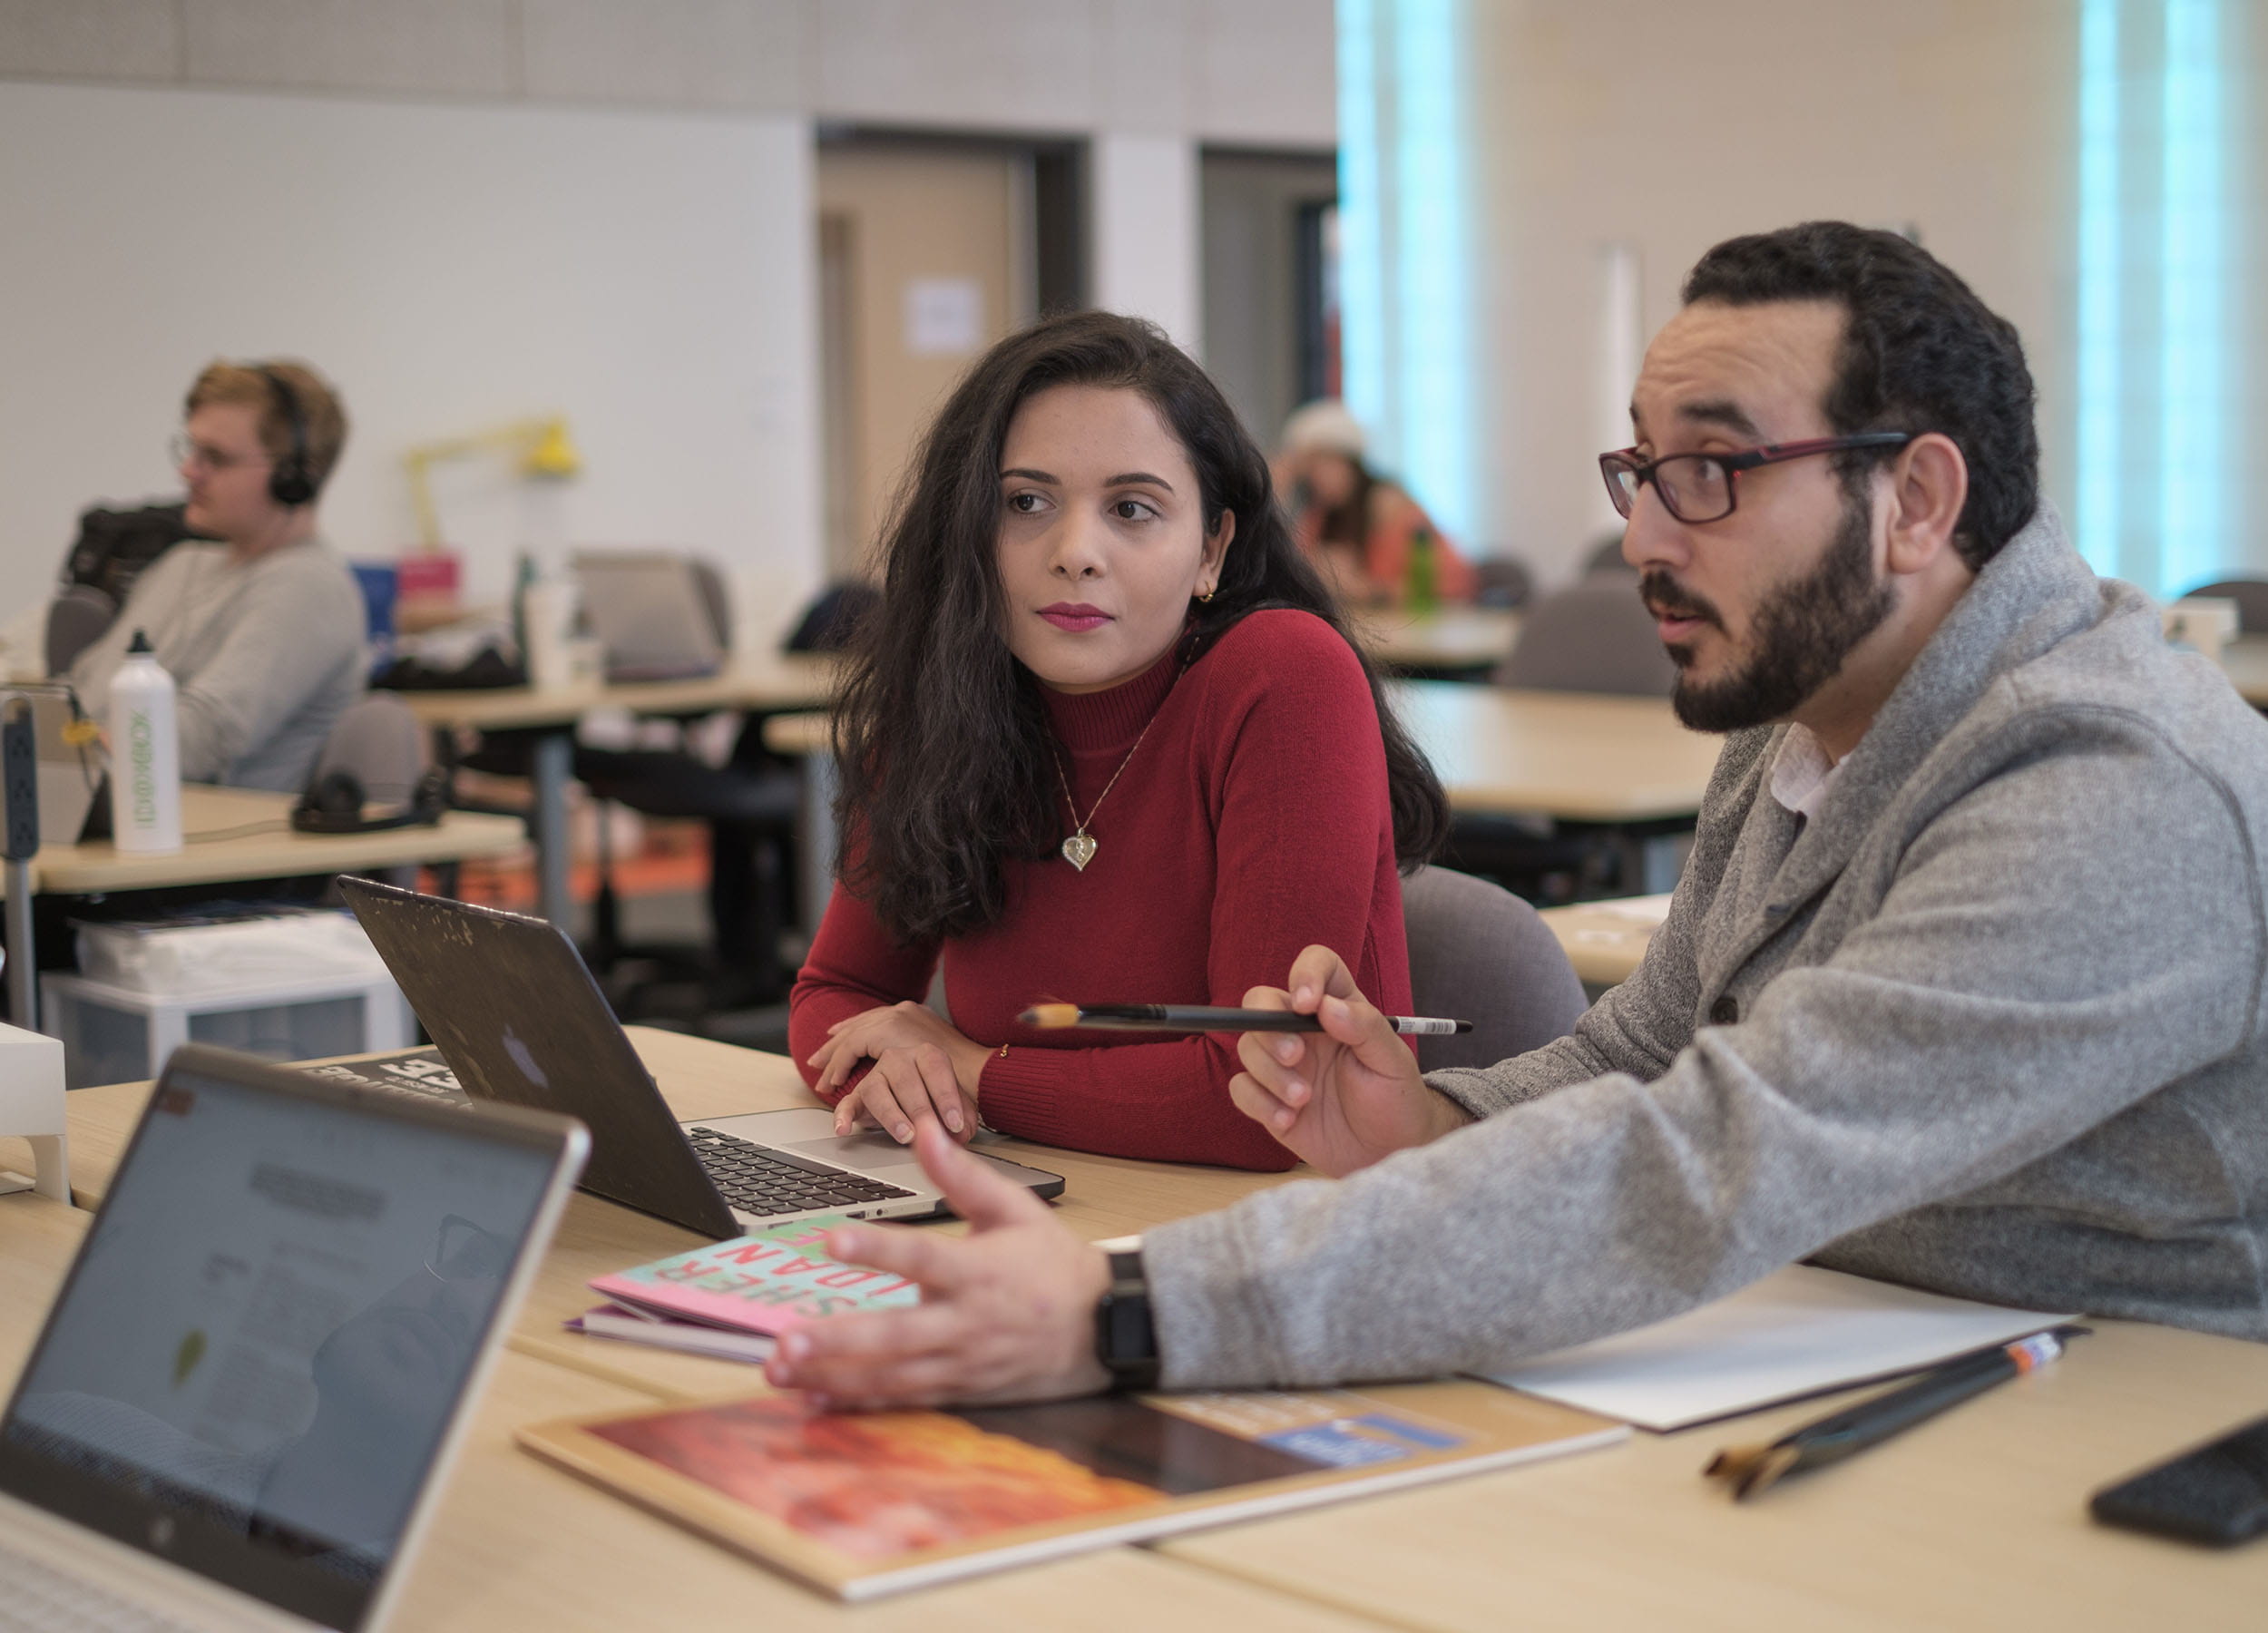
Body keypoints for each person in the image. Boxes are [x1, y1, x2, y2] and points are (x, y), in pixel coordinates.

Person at [765, 221, 2268, 1409]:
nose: (1643, 536)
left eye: (1712, 473)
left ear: (1920, 502)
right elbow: (1646, 1047)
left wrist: (1135, 1309)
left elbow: (1724, 1149)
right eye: (1640, 471)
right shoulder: (1801, 719)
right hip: (1830, 1336)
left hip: (2122, 1401)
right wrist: (1426, 1118)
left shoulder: (2114, 788)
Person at [788, 311, 1450, 1172]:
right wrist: (898, 1068)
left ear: (1212, 549)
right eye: (1026, 503)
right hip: (1023, 1209)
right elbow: (838, 993)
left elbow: (1267, 1100)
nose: (1075, 553)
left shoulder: (1284, 677)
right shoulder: (946, 703)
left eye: (1133, 509)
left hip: (1272, 1245)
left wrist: (975, 1074)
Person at [68, 360, 367, 792]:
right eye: (191, 451)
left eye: (216, 458)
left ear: (294, 479)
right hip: (110, 815)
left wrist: (56, 757)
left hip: (205, 845)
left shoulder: (309, 586)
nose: (188, 471)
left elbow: (198, 741)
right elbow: (84, 695)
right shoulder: (183, 563)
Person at [1274, 399, 1478, 607]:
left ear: (1349, 461)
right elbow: (1288, 571)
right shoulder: (1322, 515)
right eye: (1309, 468)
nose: (1315, 477)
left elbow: (1455, 583)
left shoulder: (1390, 507)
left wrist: (1367, 589)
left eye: (1323, 462)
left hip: (1413, 631)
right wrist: (1276, 493)